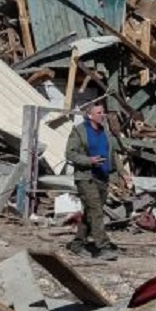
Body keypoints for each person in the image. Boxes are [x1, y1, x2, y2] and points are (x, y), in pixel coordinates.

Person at [65, 103, 132, 260]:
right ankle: (103, 246)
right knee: (96, 211)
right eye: (99, 112)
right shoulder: (79, 131)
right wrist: (89, 161)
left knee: (90, 213)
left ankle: (77, 244)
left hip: (102, 177)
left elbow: (113, 155)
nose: (103, 115)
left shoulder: (105, 132)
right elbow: (70, 154)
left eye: (104, 112)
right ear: (90, 115)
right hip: (86, 177)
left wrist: (123, 173)